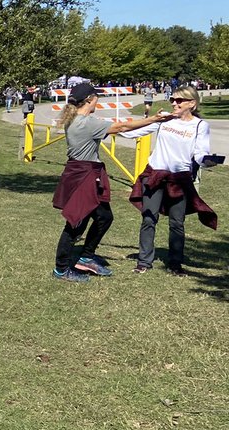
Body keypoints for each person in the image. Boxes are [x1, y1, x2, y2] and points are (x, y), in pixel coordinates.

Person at [51, 83, 172, 282]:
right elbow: (122, 127)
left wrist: (154, 124)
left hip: (85, 173)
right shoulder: (86, 122)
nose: (98, 100)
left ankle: (86, 257)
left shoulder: (77, 119)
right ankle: (61, 269)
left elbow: (123, 130)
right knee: (76, 223)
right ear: (90, 99)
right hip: (83, 176)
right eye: (96, 97)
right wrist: (154, 119)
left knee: (104, 217)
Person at [121, 85, 217, 275]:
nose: (174, 103)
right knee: (149, 218)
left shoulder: (199, 125)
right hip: (155, 174)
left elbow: (200, 153)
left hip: (179, 179)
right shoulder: (164, 118)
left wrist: (207, 162)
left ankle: (175, 264)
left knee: (177, 223)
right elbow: (133, 132)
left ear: (192, 103)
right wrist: (112, 129)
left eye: (179, 100)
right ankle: (144, 262)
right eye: (172, 99)